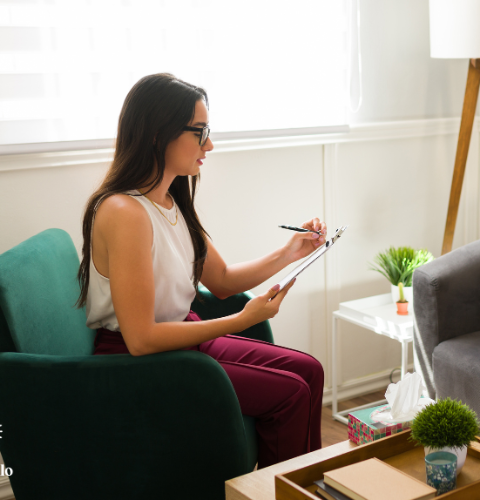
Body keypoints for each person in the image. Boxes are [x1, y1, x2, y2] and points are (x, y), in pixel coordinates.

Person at [74, 73, 325, 469]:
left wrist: (290, 252)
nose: (209, 144)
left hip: (179, 342)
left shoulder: (171, 202)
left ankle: (304, 487)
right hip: (139, 363)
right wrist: (240, 321)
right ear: (158, 134)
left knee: (309, 371)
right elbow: (140, 339)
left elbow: (222, 281)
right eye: (200, 132)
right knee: (290, 393)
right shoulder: (124, 213)